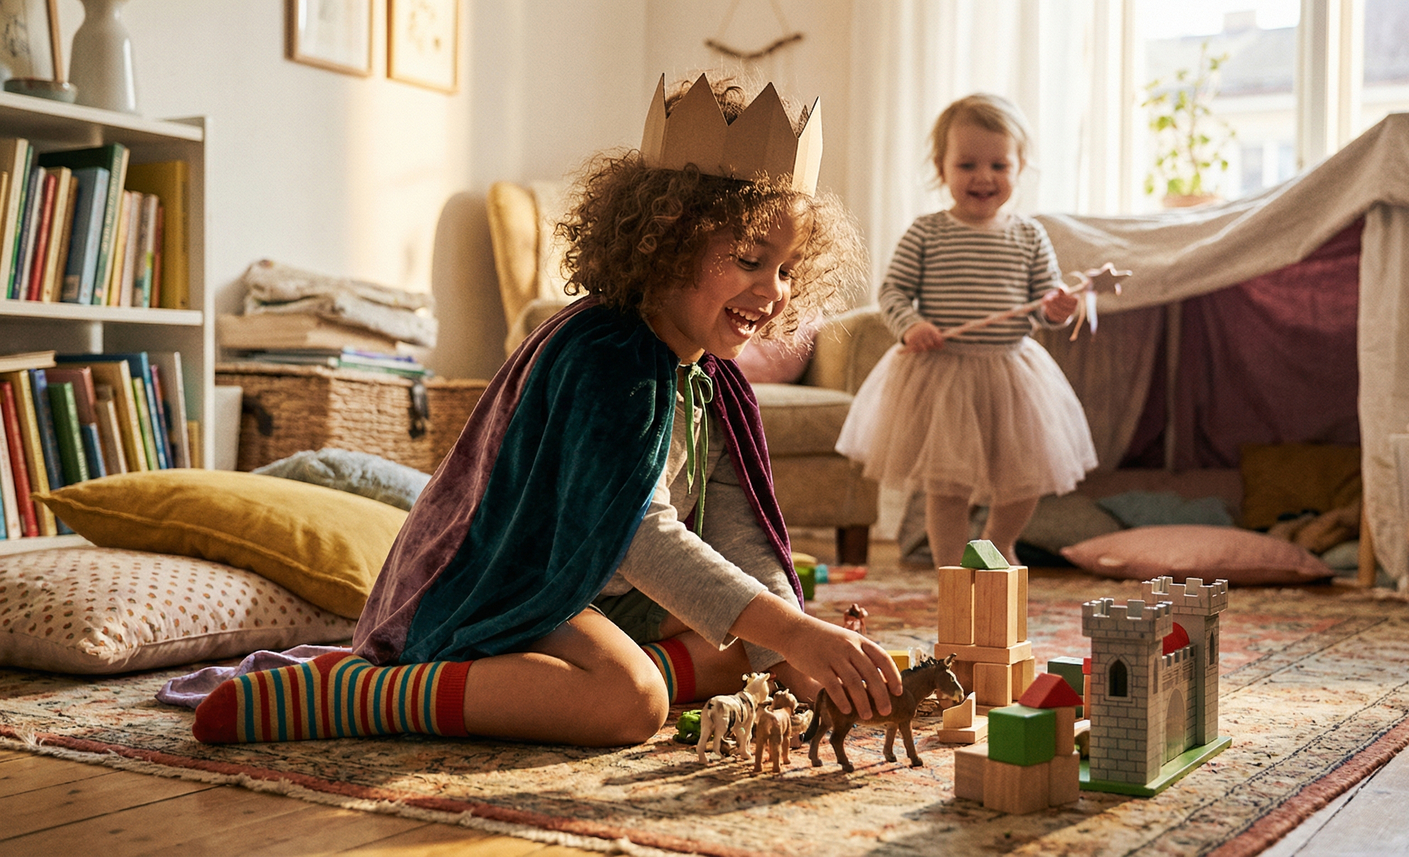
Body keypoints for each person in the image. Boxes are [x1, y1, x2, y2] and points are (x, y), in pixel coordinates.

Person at [191, 73, 901, 748]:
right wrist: (797, 637)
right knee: (633, 702)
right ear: (669, 237)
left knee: (751, 650)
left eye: (784, 269)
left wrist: (791, 649)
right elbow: (640, 535)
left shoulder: (711, 379)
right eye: (750, 258)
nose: (773, 292)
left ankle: (567, 676)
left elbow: (742, 533)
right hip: (509, 587)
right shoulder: (607, 353)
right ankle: (357, 691)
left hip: (602, 599)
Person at [835, 93, 1098, 570]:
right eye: (968, 164)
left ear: (1020, 168)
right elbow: (892, 292)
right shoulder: (927, 232)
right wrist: (911, 325)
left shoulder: (1029, 235)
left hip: (1012, 373)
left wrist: (1059, 308)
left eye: (999, 164)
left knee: (1025, 478)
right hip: (943, 374)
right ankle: (953, 573)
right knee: (947, 487)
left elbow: (1043, 306)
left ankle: (997, 547)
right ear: (942, 168)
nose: (984, 176)